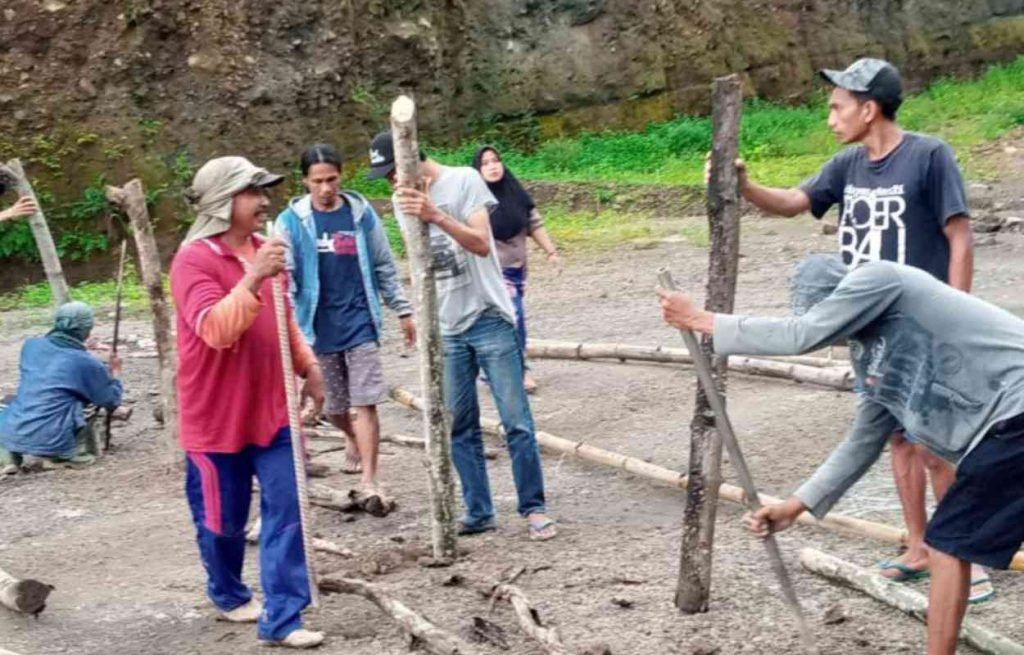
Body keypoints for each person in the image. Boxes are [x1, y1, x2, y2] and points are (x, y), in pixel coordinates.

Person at [658, 255, 1024, 655]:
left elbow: (801, 335)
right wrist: (793, 507)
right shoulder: (872, 359)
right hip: (1007, 427)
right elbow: (863, 440)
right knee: (952, 540)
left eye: (832, 319)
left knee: (948, 544)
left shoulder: (880, 279)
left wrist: (702, 320)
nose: (835, 335)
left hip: (1015, 409)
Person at [729, 57, 983, 597]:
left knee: (936, 444)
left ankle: (964, 559)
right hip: (874, 332)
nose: (830, 118)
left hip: (925, 326)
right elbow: (794, 202)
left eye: (837, 107)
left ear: (869, 110)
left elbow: (959, 237)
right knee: (897, 439)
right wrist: (745, 185)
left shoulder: (929, 156)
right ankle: (919, 548)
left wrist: (956, 317)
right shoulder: (847, 165)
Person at [367, 131, 556, 541]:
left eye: (393, 173)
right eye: (387, 178)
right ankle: (479, 510)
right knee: (459, 425)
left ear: (412, 157)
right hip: (446, 328)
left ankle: (534, 508)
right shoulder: (402, 200)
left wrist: (435, 214)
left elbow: (481, 244)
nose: (392, 182)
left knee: (516, 421)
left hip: (489, 317)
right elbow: (421, 265)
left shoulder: (465, 180)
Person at [170, 156, 326, 649]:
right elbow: (216, 330)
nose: (264, 201)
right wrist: (253, 277)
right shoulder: (193, 260)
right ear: (223, 201)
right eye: (253, 192)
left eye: (264, 191)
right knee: (222, 523)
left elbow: (283, 319)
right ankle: (228, 590)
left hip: (273, 409)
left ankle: (283, 616)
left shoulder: (266, 251)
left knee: (289, 508)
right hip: (215, 418)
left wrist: (309, 365)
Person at [275, 144, 414, 490]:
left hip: (359, 321)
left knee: (366, 401)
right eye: (317, 181)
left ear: (341, 176)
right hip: (317, 327)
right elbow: (285, 278)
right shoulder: (290, 222)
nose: (325, 188)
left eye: (332, 179)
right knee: (333, 405)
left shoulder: (360, 214)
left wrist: (402, 308)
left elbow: (383, 263)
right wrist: (289, 326)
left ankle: (370, 479)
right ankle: (350, 434)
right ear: (305, 181)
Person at [472, 146, 560, 394]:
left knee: (505, 320)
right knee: (513, 317)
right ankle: (519, 370)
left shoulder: (515, 193)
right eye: (485, 163)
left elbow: (534, 223)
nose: (492, 166)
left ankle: (491, 370)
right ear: (477, 170)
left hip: (517, 271)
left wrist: (551, 251)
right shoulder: (476, 201)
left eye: (495, 160)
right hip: (492, 272)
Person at [0, 301, 122, 472]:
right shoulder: (87, 362)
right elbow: (110, 400)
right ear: (87, 330)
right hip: (54, 434)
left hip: (16, 425)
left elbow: (54, 370)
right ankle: (61, 456)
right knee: (90, 404)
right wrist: (115, 373)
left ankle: (8, 455)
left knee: (9, 402)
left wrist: (83, 349)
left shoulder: (30, 345)